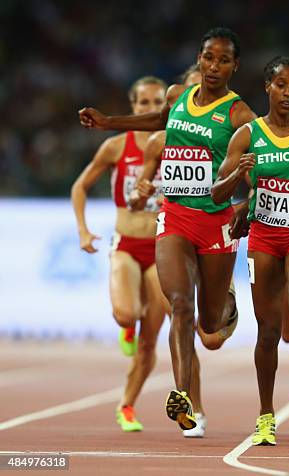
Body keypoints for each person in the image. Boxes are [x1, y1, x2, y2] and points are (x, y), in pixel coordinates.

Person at [79, 27, 257, 432]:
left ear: (235, 66)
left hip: (215, 223)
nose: (214, 66)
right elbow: (158, 120)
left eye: (223, 60)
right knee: (179, 303)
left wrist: (250, 202)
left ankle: (227, 304)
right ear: (199, 57)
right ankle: (181, 393)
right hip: (175, 216)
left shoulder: (239, 114)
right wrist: (109, 122)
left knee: (210, 328)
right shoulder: (178, 96)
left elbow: (259, 166)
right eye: (208, 57)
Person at [212, 56, 289, 446]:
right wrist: (235, 175)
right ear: (268, 88)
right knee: (268, 332)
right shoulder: (248, 134)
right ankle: (265, 415)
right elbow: (216, 193)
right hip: (264, 236)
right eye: (282, 85)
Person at [71, 76, 168, 432]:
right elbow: (80, 186)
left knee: (149, 342)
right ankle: (126, 326)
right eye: (143, 103)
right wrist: (82, 229)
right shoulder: (116, 146)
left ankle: (127, 405)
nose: (151, 108)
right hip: (126, 244)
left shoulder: (175, 147)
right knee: (126, 314)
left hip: (161, 249)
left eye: (158, 102)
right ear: (133, 106)